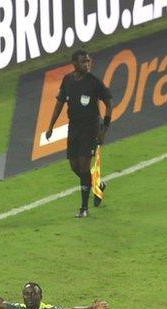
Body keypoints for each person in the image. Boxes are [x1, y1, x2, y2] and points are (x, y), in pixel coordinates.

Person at [44, 49, 113, 218]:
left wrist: (104, 129)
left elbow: (109, 104)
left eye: (88, 61)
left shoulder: (94, 83)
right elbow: (60, 103)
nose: (87, 64)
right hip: (74, 127)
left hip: (90, 128)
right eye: (83, 62)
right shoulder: (67, 80)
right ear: (75, 64)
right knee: (74, 166)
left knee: (83, 166)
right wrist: (50, 126)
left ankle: (84, 208)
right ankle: (97, 185)